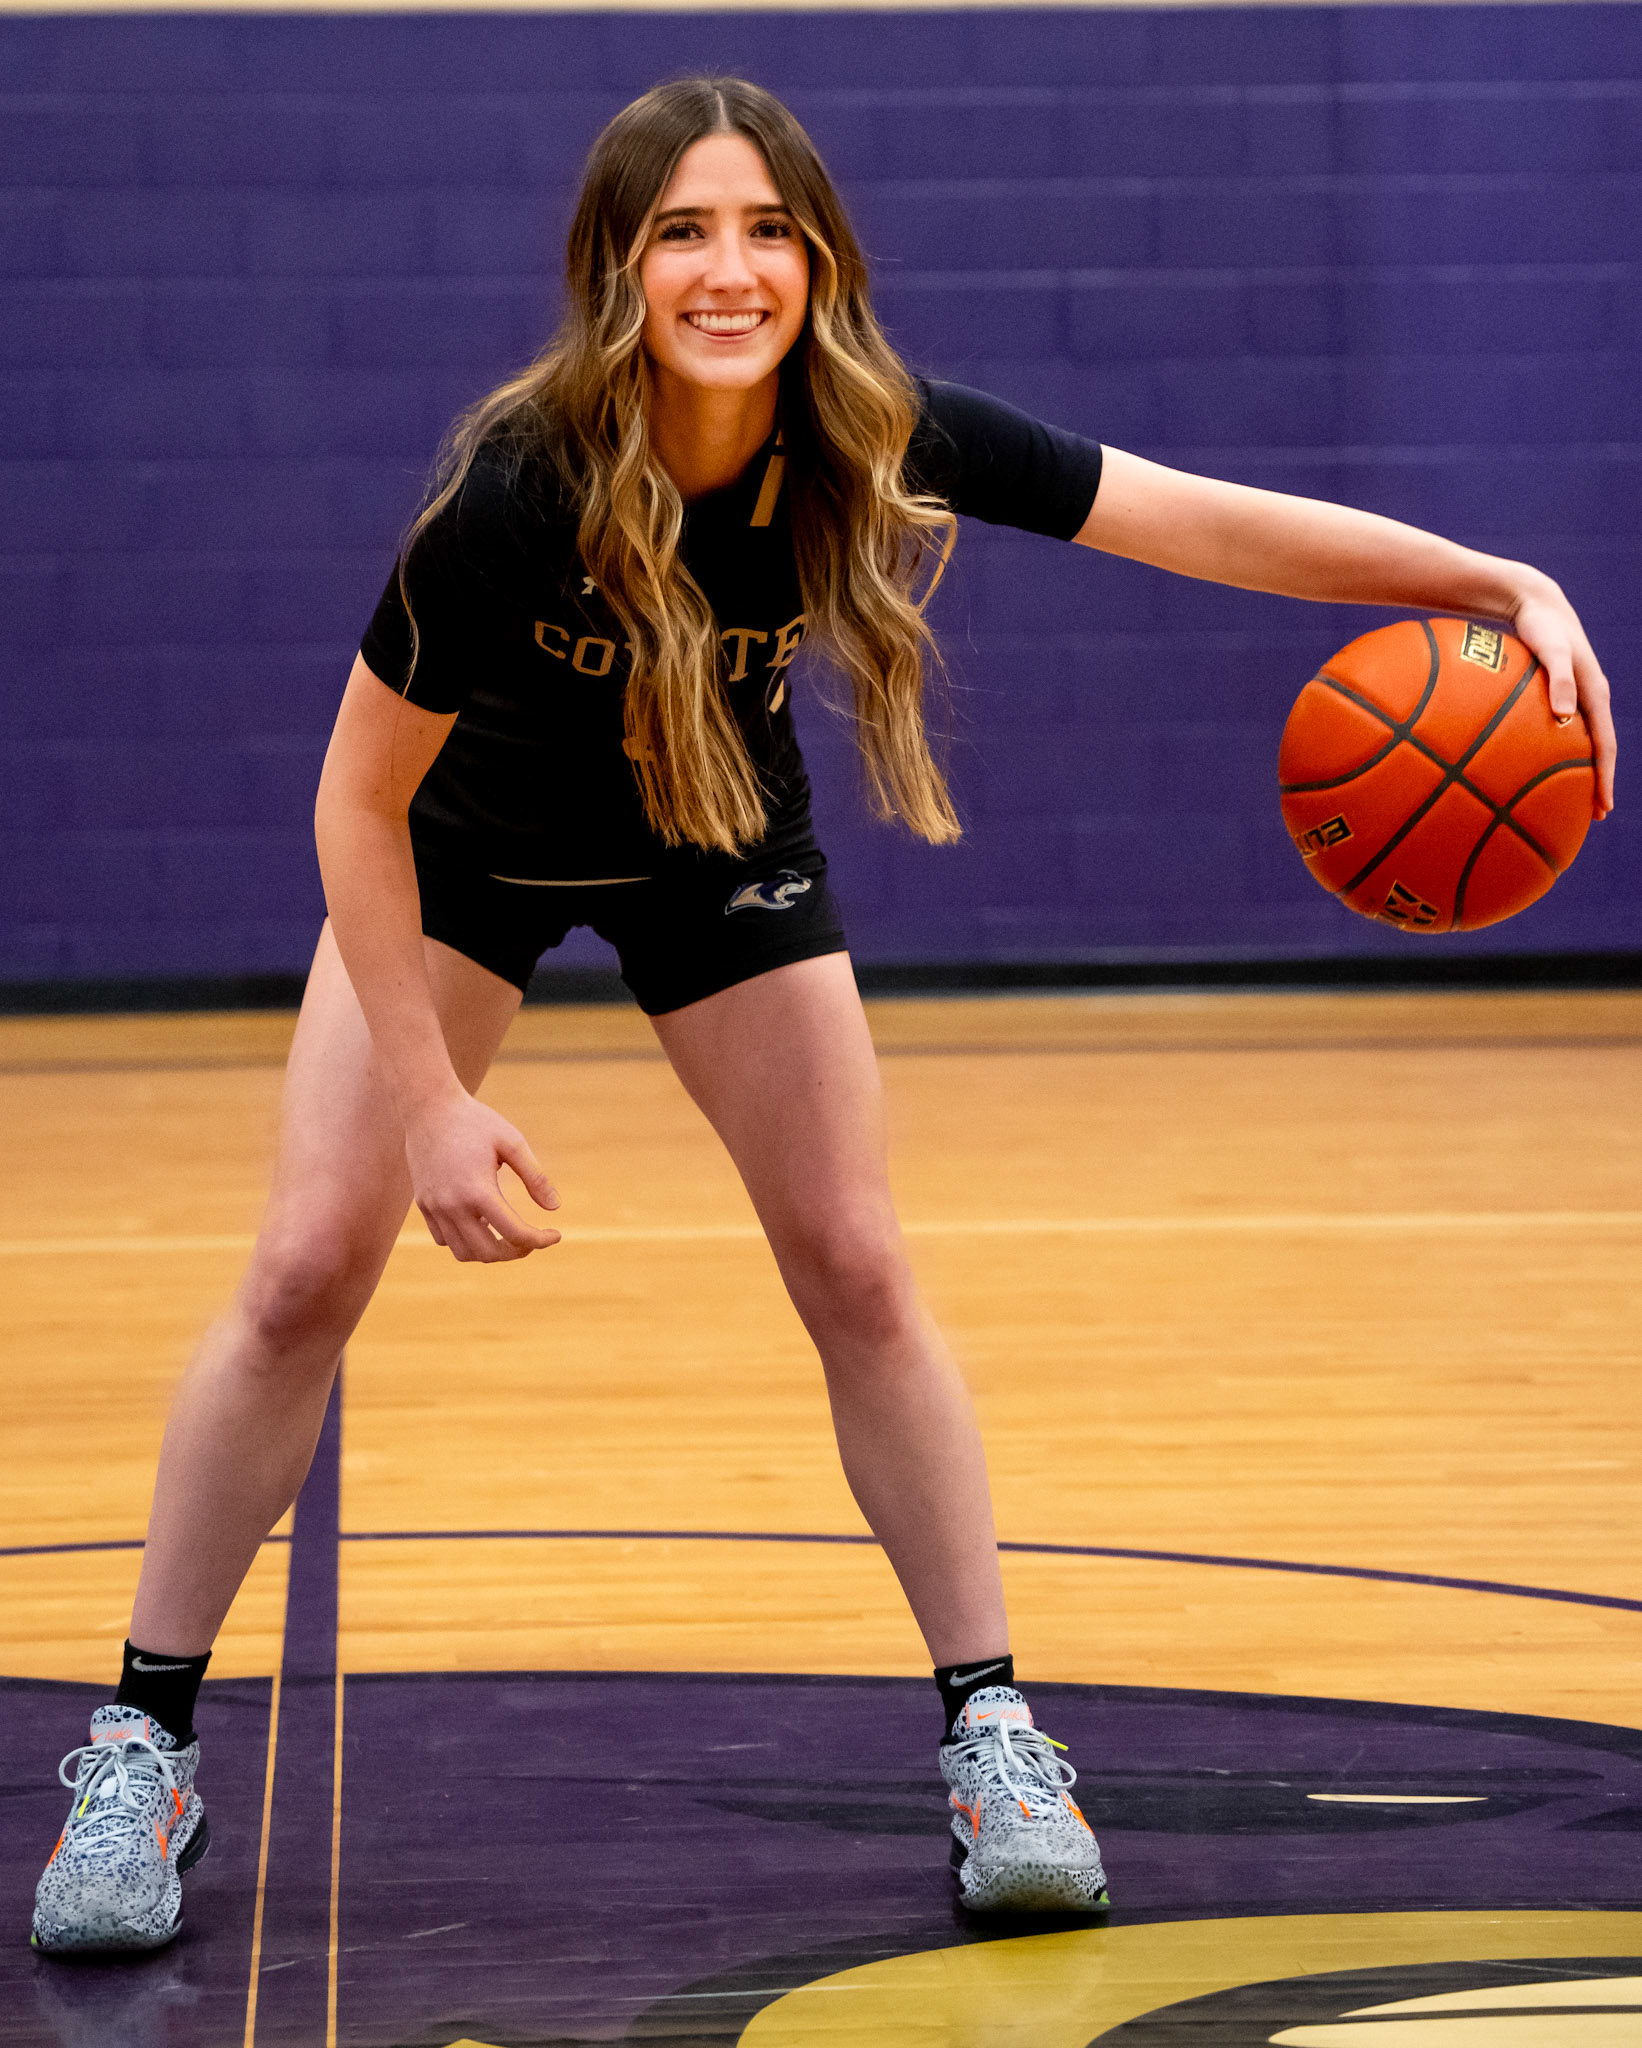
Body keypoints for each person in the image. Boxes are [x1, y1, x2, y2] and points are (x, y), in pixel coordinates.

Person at [33, 75, 1616, 1956]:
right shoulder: (520, 489)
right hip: (457, 860)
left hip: (714, 848)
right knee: (305, 1270)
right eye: (684, 233)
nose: (731, 270)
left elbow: (1190, 524)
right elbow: (353, 805)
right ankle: (142, 1746)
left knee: (857, 1266)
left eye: (767, 230)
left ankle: (994, 1737)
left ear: (818, 261)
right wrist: (433, 1098)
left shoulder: (869, 427)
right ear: (618, 272)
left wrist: (1491, 577)